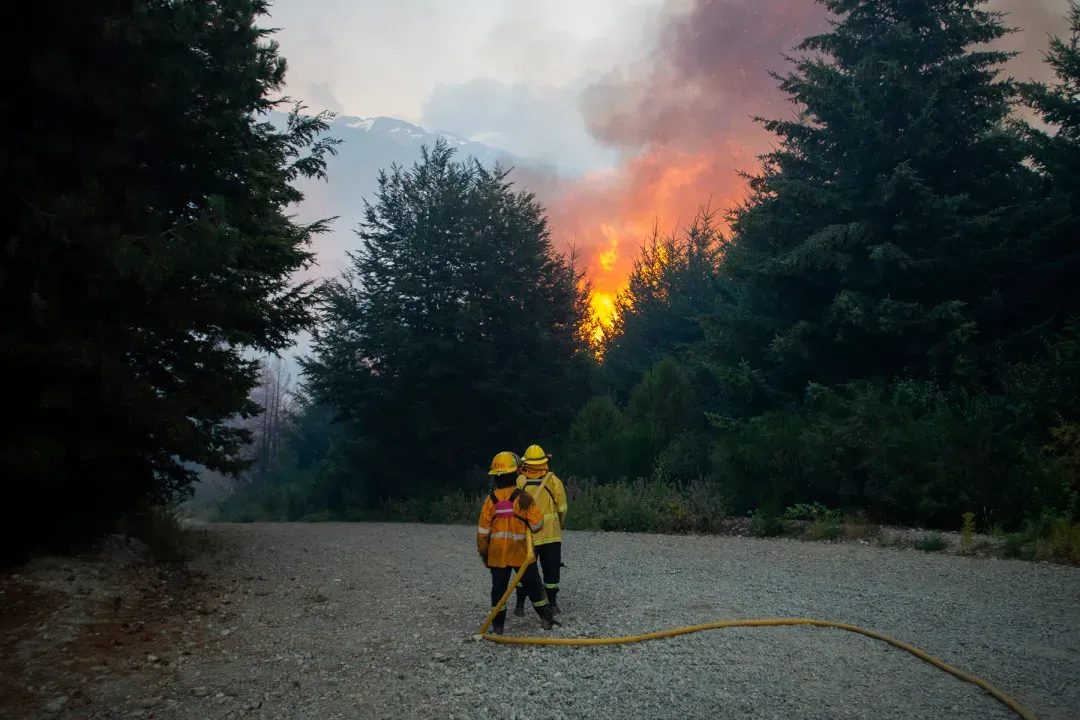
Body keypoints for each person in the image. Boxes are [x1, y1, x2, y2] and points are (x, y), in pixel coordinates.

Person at [477, 451, 559, 634]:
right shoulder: (523, 498)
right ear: (516, 473)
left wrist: (485, 554)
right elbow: (538, 525)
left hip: (497, 555)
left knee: (498, 591)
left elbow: (482, 534)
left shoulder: (490, 501)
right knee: (534, 587)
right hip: (521, 553)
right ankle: (546, 619)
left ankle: (498, 627)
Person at [514, 444, 568, 617]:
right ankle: (552, 604)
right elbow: (563, 509)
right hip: (551, 536)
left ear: (526, 463)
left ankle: (520, 605)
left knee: (524, 571)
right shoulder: (554, 481)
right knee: (551, 571)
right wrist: (558, 524)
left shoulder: (520, 482)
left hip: (527, 537)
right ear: (545, 462)